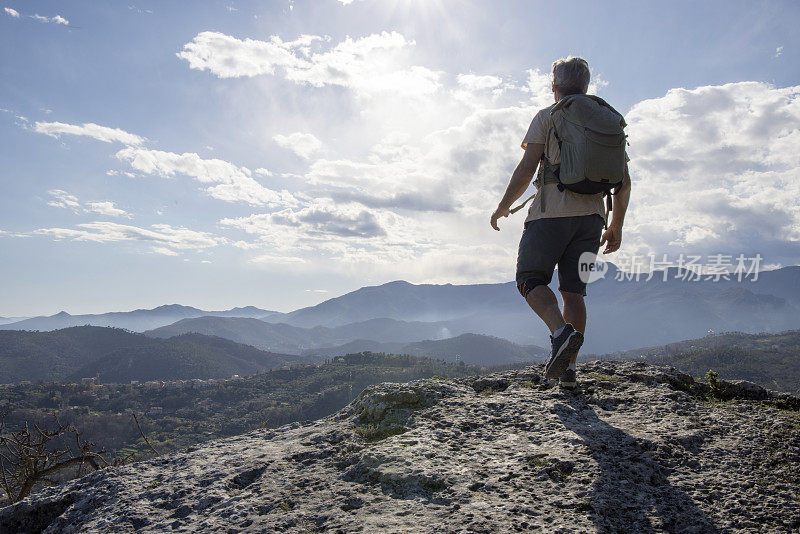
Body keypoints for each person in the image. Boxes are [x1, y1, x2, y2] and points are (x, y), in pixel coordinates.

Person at [490, 57, 631, 389]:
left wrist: (502, 207)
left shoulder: (547, 117)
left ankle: (561, 333)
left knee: (529, 279)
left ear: (554, 86)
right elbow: (623, 181)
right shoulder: (608, 121)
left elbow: (527, 169)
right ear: (586, 85)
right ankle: (568, 372)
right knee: (574, 292)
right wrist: (617, 226)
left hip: (549, 215)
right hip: (593, 220)